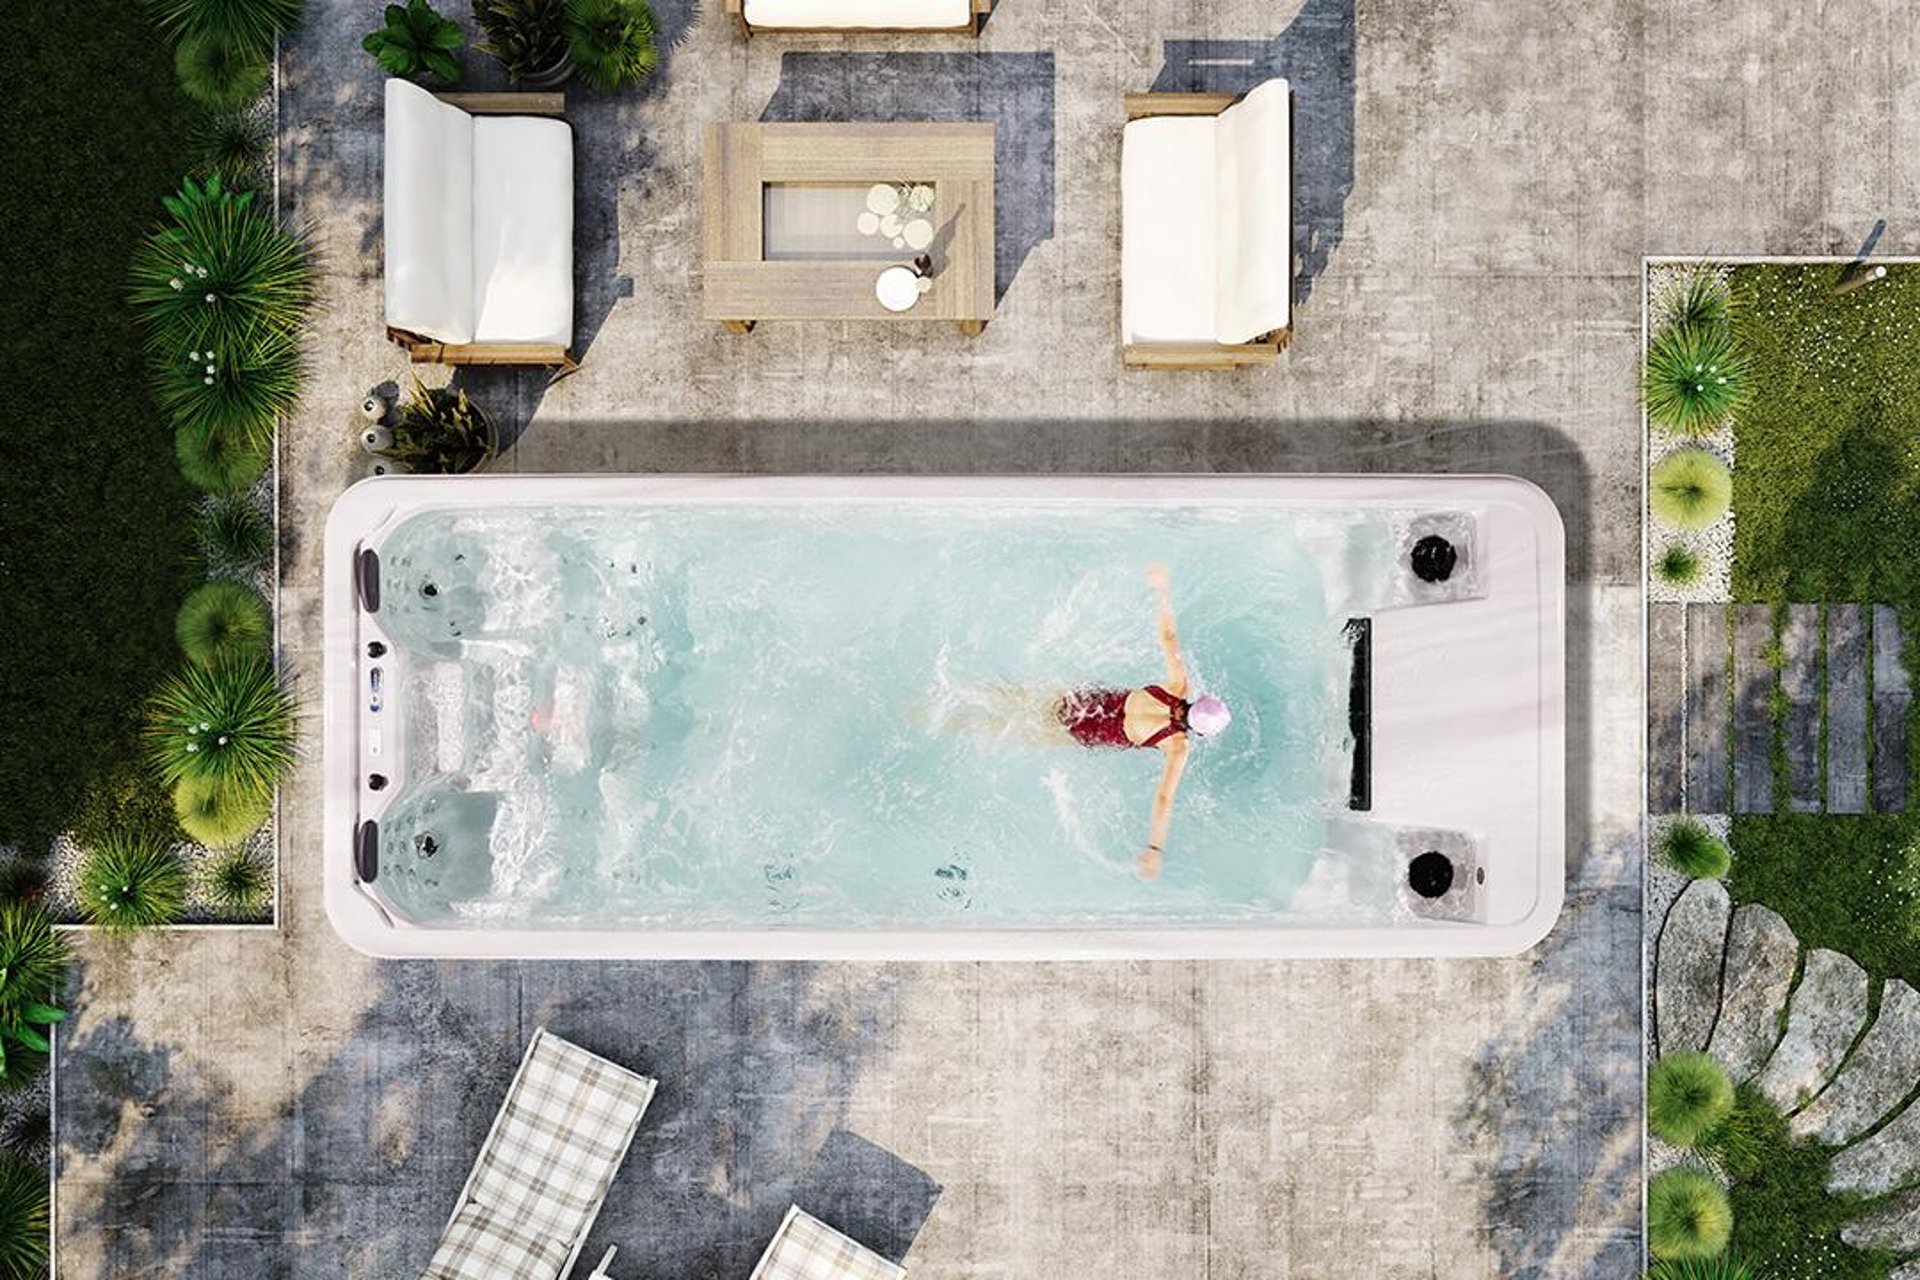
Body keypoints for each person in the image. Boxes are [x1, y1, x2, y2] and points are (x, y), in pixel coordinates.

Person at [1053, 565, 1231, 880]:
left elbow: (1168, 637)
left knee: (1022, 700)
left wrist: (1162, 589)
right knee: (1022, 729)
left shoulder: (1177, 688)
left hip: (1093, 701)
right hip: (1094, 731)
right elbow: (1163, 798)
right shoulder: (1177, 746)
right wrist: (1154, 850)